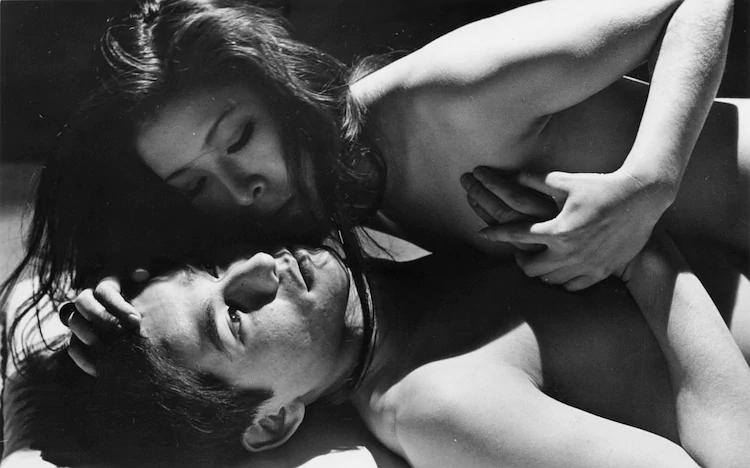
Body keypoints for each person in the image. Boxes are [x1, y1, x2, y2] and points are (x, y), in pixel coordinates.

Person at [2, 0, 744, 361]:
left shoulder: (452, 93)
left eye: (240, 138)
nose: (239, 189)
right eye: (196, 184)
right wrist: (112, 299)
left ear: (281, 90)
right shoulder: (324, 201)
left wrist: (651, 179)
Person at [5, 234, 750, 466]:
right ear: (272, 421)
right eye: (232, 319)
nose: (256, 266)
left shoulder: (366, 273)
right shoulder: (438, 403)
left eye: (211, 263)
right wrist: (648, 257)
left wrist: (111, 280)